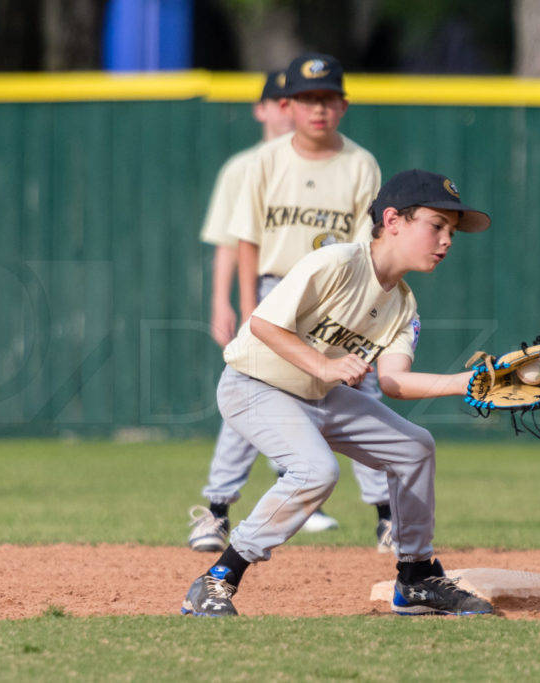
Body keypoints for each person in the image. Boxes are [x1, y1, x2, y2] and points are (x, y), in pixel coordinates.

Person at [181, 168, 496, 617]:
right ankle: (216, 580)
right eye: (437, 225)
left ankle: (416, 577)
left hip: (316, 396)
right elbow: (263, 325)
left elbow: (394, 381)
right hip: (254, 385)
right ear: (393, 221)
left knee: (413, 447)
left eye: (452, 232)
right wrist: (326, 365)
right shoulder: (337, 262)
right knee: (315, 471)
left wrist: (469, 384)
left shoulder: (403, 305)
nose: (446, 240)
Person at [187, 54, 394, 553]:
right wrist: (245, 307)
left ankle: (388, 517)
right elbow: (247, 241)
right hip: (275, 291)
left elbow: (367, 246)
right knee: (251, 396)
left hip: (337, 299)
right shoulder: (265, 161)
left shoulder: (360, 163)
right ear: (288, 105)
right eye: (307, 99)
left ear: (342, 105)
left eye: (327, 99)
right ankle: (216, 511)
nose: (318, 109)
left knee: (363, 394)